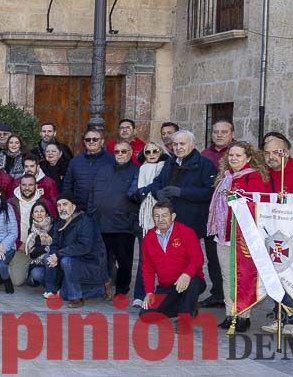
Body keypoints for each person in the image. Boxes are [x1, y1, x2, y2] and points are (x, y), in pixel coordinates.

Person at [134, 130, 217, 284]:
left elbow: (210, 192)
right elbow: (158, 181)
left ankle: (190, 295)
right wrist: (157, 192)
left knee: (191, 260)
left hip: (192, 220)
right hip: (171, 221)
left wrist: (181, 192)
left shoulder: (204, 165)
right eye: (175, 144)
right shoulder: (170, 163)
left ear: (192, 145)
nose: (178, 147)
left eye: (182, 144)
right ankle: (172, 292)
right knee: (172, 260)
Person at [206, 141, 270, 331]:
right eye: (231, 155)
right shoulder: (226, 177)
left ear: (248, 158)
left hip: (243, 236)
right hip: (223, 234)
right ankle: (230, 313)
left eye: (238, 155)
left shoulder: (254, 178)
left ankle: (244, 315)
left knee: (242, 276)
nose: (233, 159)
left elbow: (258, 205)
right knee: (227, 276)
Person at [91, 141, 140, 300]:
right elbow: (93, 192)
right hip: (101, 223)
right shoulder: (104, 170)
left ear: (130, 152)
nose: (120, 154)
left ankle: (122, 290)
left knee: (124, 261)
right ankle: (105, 286)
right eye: (117, 151)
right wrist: (92, 212)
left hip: (123, 226)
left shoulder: (137, 171)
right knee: (102, 259)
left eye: (123, 151)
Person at [140, 201, 206, 319]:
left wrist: (187, 274)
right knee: (146, 315)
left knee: (192, 284)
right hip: (167, 287)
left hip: (190, 281)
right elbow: (147, 268)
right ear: (153, 218)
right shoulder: (148, 238)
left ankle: (185, 318)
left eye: (164, 215)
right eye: (157, 216)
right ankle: (187, 306)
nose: (160, 219)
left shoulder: (186, 232)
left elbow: (198, 258)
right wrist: (149, 292)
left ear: (173, 216)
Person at [45, 196, 106, 308]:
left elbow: (84, 247)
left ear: (73, 206)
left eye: (65, 204)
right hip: (71, 260)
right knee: (48, 257)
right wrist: (54, 255)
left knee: (66, 261)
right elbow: (55, 244)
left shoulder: (85, 221)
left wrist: (58, 255)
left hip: (91, 262)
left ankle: (77, 297)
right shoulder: (59, 222)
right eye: (58, 205)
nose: (61, 208)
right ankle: (52, 291)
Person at [131, 140, 167, 308]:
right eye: (148, 152)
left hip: (164, 218)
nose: (152, 154)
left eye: (155, 151)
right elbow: (133, 192)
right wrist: (141, 192)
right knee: (145, 259)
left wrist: (149, 190)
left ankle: (163, 296)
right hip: (144, 219)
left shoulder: (167, 167)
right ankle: (140, 294)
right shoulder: (141, 169)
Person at [7, 175, 51, 288]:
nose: (27, 188)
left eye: (30, 185)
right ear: (19, 186)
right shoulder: (11, 203)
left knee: (37, 275)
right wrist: (18, 245)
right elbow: (5, 228)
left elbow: (53, 226)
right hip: (21, 248)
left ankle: (34, 274)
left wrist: (41, 246)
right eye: (24, 185)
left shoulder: (45, 203)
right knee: (16, 281)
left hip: (40, 249)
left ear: (36, 186)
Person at [62, 129, 115, 212]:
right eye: (88, 139)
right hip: (80, 209)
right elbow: (67, 184)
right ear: (84, 142)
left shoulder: (111, 160)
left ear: (102, 142)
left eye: (95, 139)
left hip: (104, 210)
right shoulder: (75, 161)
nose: (91, 142)